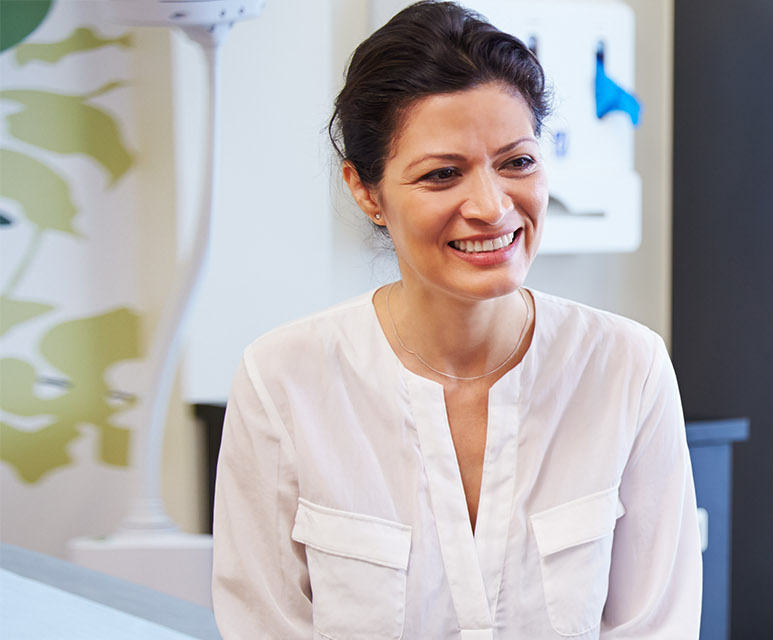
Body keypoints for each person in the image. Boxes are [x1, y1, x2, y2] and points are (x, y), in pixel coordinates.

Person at [210, 3, 700, 637]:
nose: (492, 207)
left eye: (517, 162)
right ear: (366, 191)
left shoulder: (627, 368)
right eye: (442, 174)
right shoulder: (283, 380)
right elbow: (263, 624)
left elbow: (657, 626)